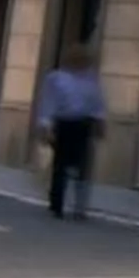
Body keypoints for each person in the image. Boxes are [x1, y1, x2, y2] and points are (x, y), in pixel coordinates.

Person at [35, 46, 107, 219]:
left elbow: (97, 104)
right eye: (78, 59)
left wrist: (101, 124)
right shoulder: (56, 78)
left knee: (83, 168)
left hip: (84, 125)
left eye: (84, 59)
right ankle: (56, 204)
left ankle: (80, 208)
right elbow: (48, 103)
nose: (82, 62)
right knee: (61, 166)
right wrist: (45, 126)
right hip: (64, 124)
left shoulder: (91, 80)